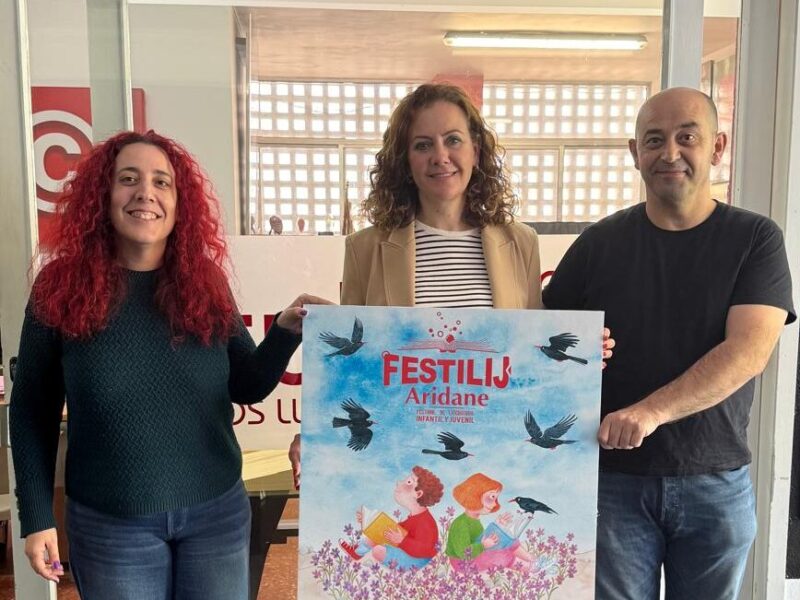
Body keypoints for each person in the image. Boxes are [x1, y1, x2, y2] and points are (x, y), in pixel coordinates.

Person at [9, 130, 330, 599]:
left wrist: (283, 331)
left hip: (216, 516)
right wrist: (37, 517)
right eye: (128, 179)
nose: (146, 193)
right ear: (102, 194)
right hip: (111, 527)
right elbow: (30, 412)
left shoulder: (203, 281)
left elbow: (245, 384)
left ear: (180, 203)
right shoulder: (59, 287)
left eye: (162, 182)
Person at [542, 87, 796, 599]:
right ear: (634, 153)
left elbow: (750, 351)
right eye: (654, 140)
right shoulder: (597, 245)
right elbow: (544, 344)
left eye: (687, 137)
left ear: (717, 147)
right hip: (612, 480)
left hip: (715, 480)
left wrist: (650, 412)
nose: (670, 153)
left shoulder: (755, 239)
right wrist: (576, 349)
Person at [288, 83, 613, 482]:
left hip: (495, 441)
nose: (440, 156)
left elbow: (530, 356)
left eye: (453, 140)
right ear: (405, 160)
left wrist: (586, 350)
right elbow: (352, 368)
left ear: (475, 149)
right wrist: (317, 432)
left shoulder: (519, 242)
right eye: (422, 145)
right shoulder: (365, 248)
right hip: (400, 445)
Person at [340, 466, 444, 570]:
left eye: (408, 482)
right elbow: (400, 530)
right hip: (407, 550)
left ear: (418, 494)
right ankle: (357, 552)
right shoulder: (414, 516)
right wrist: (367, 521)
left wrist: (402, 541)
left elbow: (425, 550)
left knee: (378, 551)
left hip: (417, 559)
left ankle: (398, 571)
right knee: (380, 531)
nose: (399, 483)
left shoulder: (426, 522)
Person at [444, 472, 532, 571]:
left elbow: (481, 538)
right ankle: (530, 568)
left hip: (475, 555)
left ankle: (532, 560)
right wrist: (483, 545)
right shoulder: (460, 523)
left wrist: (498, 527)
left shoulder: (474, 520)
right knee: (499, 555)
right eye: (492, 497)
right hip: (462, 563)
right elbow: (463, 553)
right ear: (475, 496)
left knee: (509, 539)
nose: (494, 504)